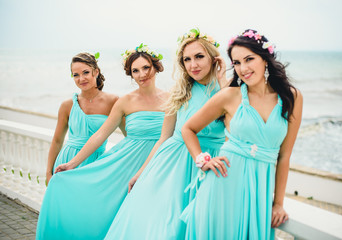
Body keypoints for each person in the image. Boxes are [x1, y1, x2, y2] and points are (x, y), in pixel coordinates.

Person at [104, 28, 227, 240]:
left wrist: (224, 81)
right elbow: (164, 137)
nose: (193, 65)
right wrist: (141, 172)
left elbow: (238, 132)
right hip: (172, 166)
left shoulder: (230, 91)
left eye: (199, 56)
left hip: (211, 164)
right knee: (163, 229)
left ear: (214, 58)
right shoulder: (179, 93)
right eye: (187, 59)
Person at [36, 44, 168, 240]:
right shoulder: (124, 101)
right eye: (135, 70)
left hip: (159, 161)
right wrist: (70, 164)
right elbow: (99, 135)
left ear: (155, 67)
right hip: (115, 162)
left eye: (146, 68)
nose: (142, 74)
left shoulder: (172, 98)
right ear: (130, 74)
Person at [181, 29, 303, 239]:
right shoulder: (230, 95)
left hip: (260, 192)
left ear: (265, 59)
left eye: (249, 59)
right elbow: (188, 129)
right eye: (236, 63)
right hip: (222, 185)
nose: (243, 68)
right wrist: (202, 159)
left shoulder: (291, 97)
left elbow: (284, 156)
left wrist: (278, 204)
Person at [46, 52, 118, 185]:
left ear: (96, 72)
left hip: (96, 164)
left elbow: (130, 135)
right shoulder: (67, 105)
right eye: (76, 75)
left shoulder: (113, 101)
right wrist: (48, 173)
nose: (81, 79)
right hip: (66, 162)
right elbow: (57, 141)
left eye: (85, 72)